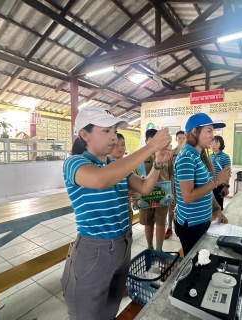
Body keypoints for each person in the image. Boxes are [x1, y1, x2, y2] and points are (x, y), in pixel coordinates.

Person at [60, 106, 172, 320]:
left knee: (110, 309)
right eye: (106, 131)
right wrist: (150, 148)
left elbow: (146, 188)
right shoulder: (74, 163)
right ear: (85, 134)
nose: (113, 137)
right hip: (94, 250)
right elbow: (101, 180)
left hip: (123, 245)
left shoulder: (115, 165)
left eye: (114, 131)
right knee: (88, 314)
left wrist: (157, 163)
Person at [174, 113, 231, 256]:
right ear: (195, 132)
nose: (213, 136)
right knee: (193, 265)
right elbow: (188, 197)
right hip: (192, 226)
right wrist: (217, 181)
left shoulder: (198, 156)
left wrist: (217, 209)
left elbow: (206, 189)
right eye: (209, 131)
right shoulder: (186, 157)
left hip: (203, 221)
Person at [139, 129, 173, 251]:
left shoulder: (166, 156)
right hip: (145, 196)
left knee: (161, 222)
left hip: (163, 196)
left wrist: (172, 194)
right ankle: (150, 247)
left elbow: (171, 176)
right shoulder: (140, 157)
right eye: (151, 141)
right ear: (146, 141)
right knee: (148, 223)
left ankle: (159, 249)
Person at [165, 130, 186, 239]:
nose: (181, 140)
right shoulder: (172, 153)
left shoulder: (189, 152)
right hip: (174, 184)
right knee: (171, 206)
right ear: (176, 139)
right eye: (179, 138)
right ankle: (169, 227)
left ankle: (182, 227)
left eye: (183, 138)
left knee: (184, 206)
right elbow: (170, 172)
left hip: (186, 185)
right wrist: (171, 190)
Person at [210, 136, 231, 210]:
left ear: (220, 144)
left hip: (220, 186)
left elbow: (228, 173)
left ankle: (219, 220)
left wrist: (226, 186)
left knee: (219, 206)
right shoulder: (210, 157)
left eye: (216, 143)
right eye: (212, 143)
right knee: (211, 207)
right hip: (210, 185)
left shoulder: (225, 157)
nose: (213, 145)